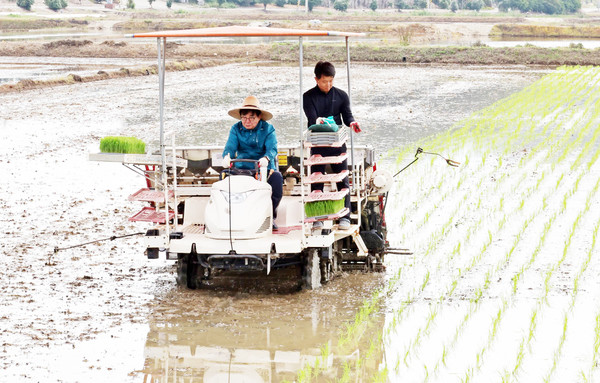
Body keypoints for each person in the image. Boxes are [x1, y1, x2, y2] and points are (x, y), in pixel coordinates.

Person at [303, 61, 361, 231]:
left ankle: (345, 217)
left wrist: (353, 123)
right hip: (318, 142)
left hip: (337, 143)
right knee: (317, 181)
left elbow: (347, 116)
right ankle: (317, 219)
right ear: (316, 79)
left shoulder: (342, 95)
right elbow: (312, 118)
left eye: (331, 81)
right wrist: (320, 121)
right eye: (324, 81)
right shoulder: (308, 97)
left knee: (342, 179)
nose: (328, 85)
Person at [222, 95, 283, 230]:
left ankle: (270, 215)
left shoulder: (268, 129)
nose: (247, 121)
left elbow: (272, 149)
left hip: (264, 167)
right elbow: (230, 148)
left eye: (251, 118)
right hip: (241, 168)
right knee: (224, 180)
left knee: (277, 180)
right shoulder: (235, 129)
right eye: (244, 117)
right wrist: (226, 157)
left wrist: (266, 159)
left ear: (259, 117)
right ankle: (230, 217)